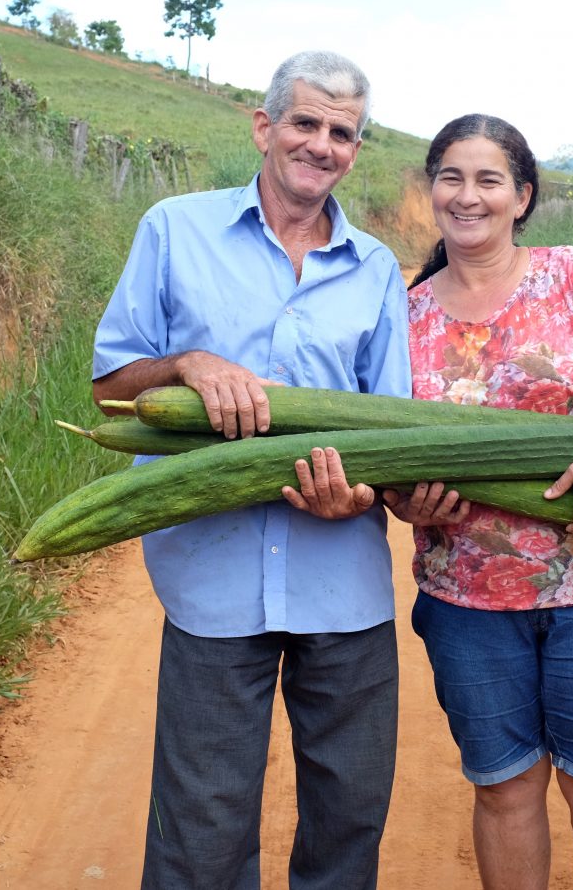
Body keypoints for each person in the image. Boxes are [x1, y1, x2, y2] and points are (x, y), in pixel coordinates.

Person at [90, 50, 411, 890]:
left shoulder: (376, 269)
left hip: (345, 588)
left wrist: (364, 494)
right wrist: (187, 364)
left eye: (342, 133)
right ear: (264, 126)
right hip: (211, 584)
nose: (322, 144)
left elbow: (397, 431)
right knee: (201, 830)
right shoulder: (173, 229)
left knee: (349, 821)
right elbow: (110, 387)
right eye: (305, 122)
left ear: (355, 150)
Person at [351, 113, 573, 889]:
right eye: (451, 177)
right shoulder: (400, 316)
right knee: (504, 790)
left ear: (522, 195)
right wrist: (411, 504)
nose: (467, 196)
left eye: (488, 180)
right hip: (465, 597)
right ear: (430, 191)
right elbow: (387, 456)